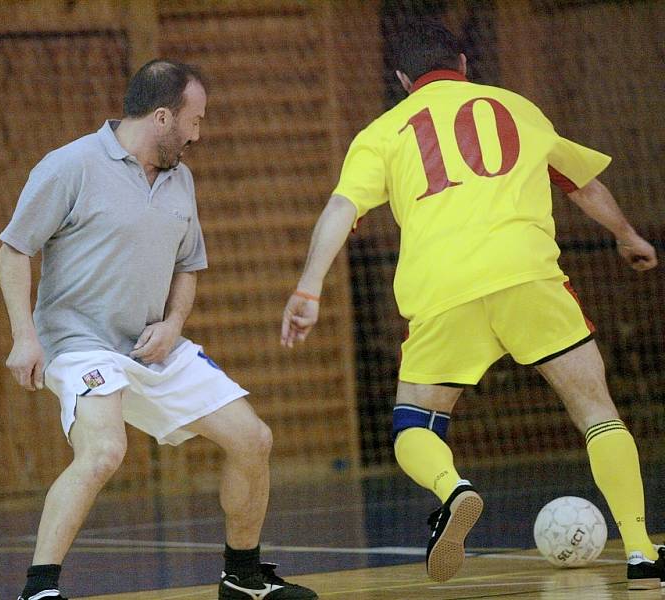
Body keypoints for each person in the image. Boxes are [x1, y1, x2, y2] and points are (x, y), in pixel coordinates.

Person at [280, 20, 661, 590]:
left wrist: (308, 287)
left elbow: (340, 208)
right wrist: (628, 235)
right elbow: (583, 187)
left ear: (404, 79)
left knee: (414, 422)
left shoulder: (382, 132)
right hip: (527, 275)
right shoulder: (518, 108)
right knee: (596, 412)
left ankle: (453, 488)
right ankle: (639, 549)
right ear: (462, 63)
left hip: (442, 288)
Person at [0, 59, 317, 600]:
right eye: (196, 120)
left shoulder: (180, 179)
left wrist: (173, 324)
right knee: (103, 451)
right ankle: (39, 590)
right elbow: (14, 248)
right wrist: (24, 336)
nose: (200, 132)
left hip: (152, 346)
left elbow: (188, 267)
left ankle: (242, 578)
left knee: (252, 439)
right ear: (164, 117)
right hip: (79, 343)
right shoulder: (69, 165)